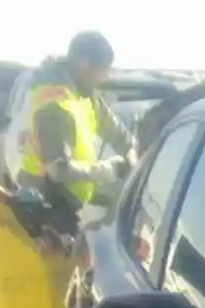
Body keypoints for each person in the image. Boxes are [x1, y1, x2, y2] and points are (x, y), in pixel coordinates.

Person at [14, 31, 132, 213]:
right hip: (45, 206)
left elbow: (118, 134)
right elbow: (58, 170)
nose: (106, 78)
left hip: (72, 203)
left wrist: (134, 152)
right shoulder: (54, 105)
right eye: (104, 70)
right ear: (84, 65)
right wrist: (111, 169)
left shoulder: (85, 94)